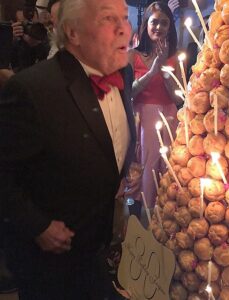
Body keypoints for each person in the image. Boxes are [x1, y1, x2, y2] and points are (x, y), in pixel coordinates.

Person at [0, 0, 135, 299]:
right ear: (73, 32)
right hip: (50, 258)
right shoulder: (31, 89)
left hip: (99, 247)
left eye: (124, 18)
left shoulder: (123, 73)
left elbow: (110, 136)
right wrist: (38, 226)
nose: (123, 28)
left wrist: (126, 168)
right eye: (108, 19)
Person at [128, 1, 182, 213]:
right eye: (154, 22)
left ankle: (161, 219)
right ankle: (137, 216)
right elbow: (129, 93)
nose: (159, 27)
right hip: (142, 119)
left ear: (170, 28)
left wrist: (164, 69)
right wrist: (152, 71)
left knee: (165, 167)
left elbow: (178, 100)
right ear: (146, 25)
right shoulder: (132, 56)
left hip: (168, 117)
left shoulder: (176, 58)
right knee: (144, 167)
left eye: (164, 23)